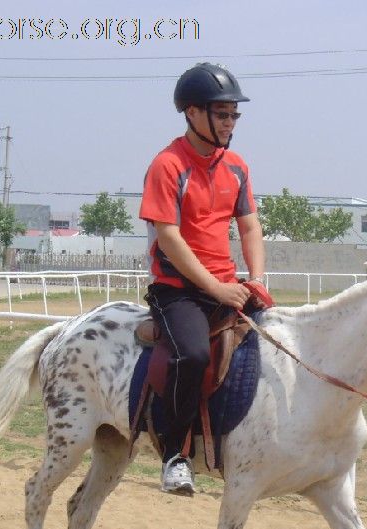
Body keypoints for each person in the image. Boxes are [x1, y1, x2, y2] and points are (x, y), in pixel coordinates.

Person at [139, 62, 268, 495]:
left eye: (234, 115)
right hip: (177, 290)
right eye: (222, 114)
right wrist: (214, 288)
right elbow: (169, 239)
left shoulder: (236, 166)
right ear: (193, 113)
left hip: (227, 285)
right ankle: (175, 455)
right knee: (192, 355)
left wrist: (257, 280)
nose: (230, 123)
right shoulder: (168, 165)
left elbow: (250, 226)